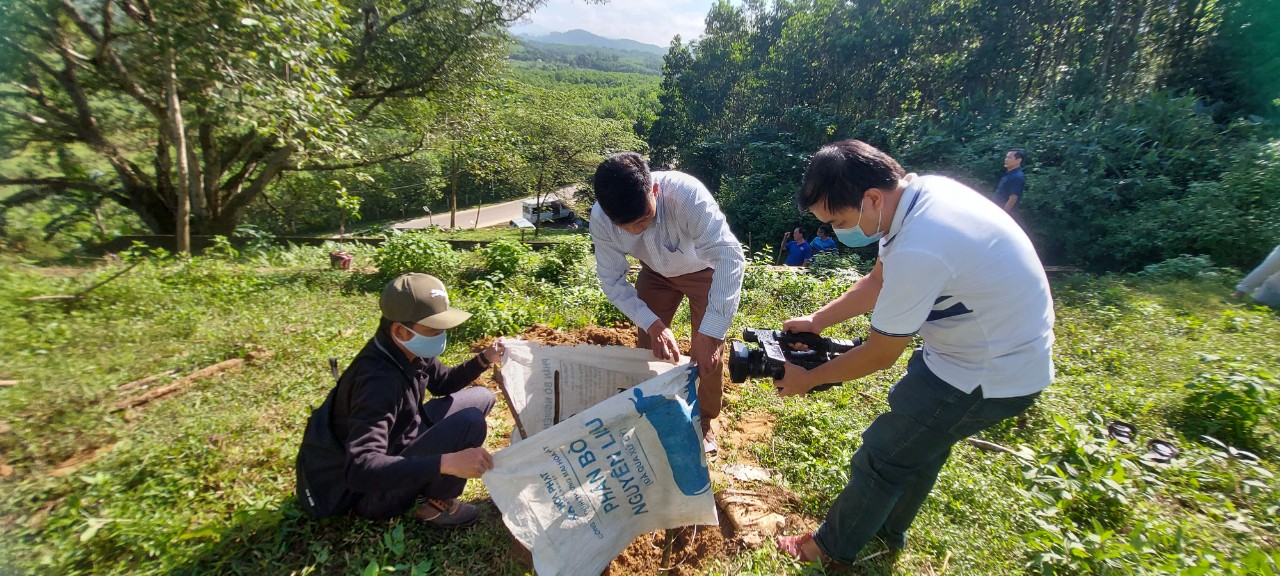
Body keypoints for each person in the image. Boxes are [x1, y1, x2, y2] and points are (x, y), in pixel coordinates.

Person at [773, 140, 1054, 564]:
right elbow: (876, 282)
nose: (835, 230)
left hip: (988, 372)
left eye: (839, 219)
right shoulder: (916, 199)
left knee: (886, 454)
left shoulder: (922, 243)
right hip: (978, 350)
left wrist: (809, 379)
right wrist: (817, 322)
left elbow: (880, 354)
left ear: (871, 198)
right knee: (920, 445)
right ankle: (886, 530)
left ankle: (828, 550)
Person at [295, 273, 504, 527]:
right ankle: (438, 505)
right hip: (367, 494)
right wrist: (447, 463)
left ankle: (429, 476)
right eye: (433, 329)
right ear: (399, 330)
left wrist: (483, 359)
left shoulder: (409, 349)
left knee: (481, 397)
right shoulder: (378, 382)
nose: (441, 335)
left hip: (397, 443)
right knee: (470, 421)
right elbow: (360, 469)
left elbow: (443, 383)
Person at [590, 152, 746, 455]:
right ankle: (653, 410)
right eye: (625, 226)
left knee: (708, 356)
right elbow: (612, 281)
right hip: (655, 272)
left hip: (704, 270)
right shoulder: (601, 218)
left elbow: (729, 257)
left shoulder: (687, 195)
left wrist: (711, 334)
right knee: (649, 344)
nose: (635, 230)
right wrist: (652, 323)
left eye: (643, 219)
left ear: (655, 192)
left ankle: (703, 422)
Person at [994, 148, 1026, 215]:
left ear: (1018, 160)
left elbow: (1013, 198)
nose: (1006, 160)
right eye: (1006, 157)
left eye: (1009, 158)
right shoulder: (1009, 174)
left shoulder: (1017, 176)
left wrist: (1003, 214)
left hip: (1003, 214)